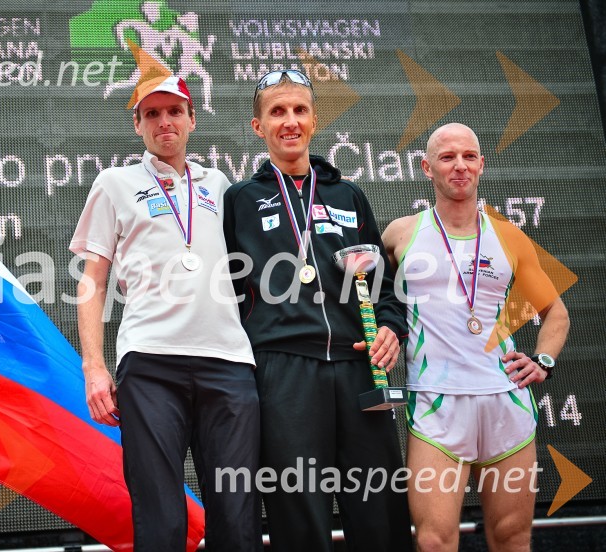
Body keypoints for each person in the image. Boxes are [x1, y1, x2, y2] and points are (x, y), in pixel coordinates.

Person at [223, 70, 413, 551]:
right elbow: (221, 288)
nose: (290, 121)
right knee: (298, 514)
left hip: (358, 367)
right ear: (257, 126)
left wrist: (390, 326)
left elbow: (382, 285)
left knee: (380, 513)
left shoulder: (347, 195)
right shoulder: (240, 200)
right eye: (277, 111)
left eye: (299, 110)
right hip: (283, 371)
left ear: (314, 120)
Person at [70, 75, 262, 551]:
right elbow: (91, 279)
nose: (164, 122)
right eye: (151, 114)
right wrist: (94, 366)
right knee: (161, 523)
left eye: (174, 111)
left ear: (192, 120)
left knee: (238, 525)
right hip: (151, 364)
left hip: (230, 365)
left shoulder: (220, 185)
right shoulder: (114, 183)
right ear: (137, 125)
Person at [381, 122, 570, 551]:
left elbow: (555, 312)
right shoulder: (401, 234)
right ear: (427, 167)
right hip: (435, 404)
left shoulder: (508, 236)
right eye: (447, 158)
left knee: (511, 539)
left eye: (469, 157)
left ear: (482, 164)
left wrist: (542, 361)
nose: (460, 166)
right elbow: (373, 304)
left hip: (506, 403)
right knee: (433, 541)